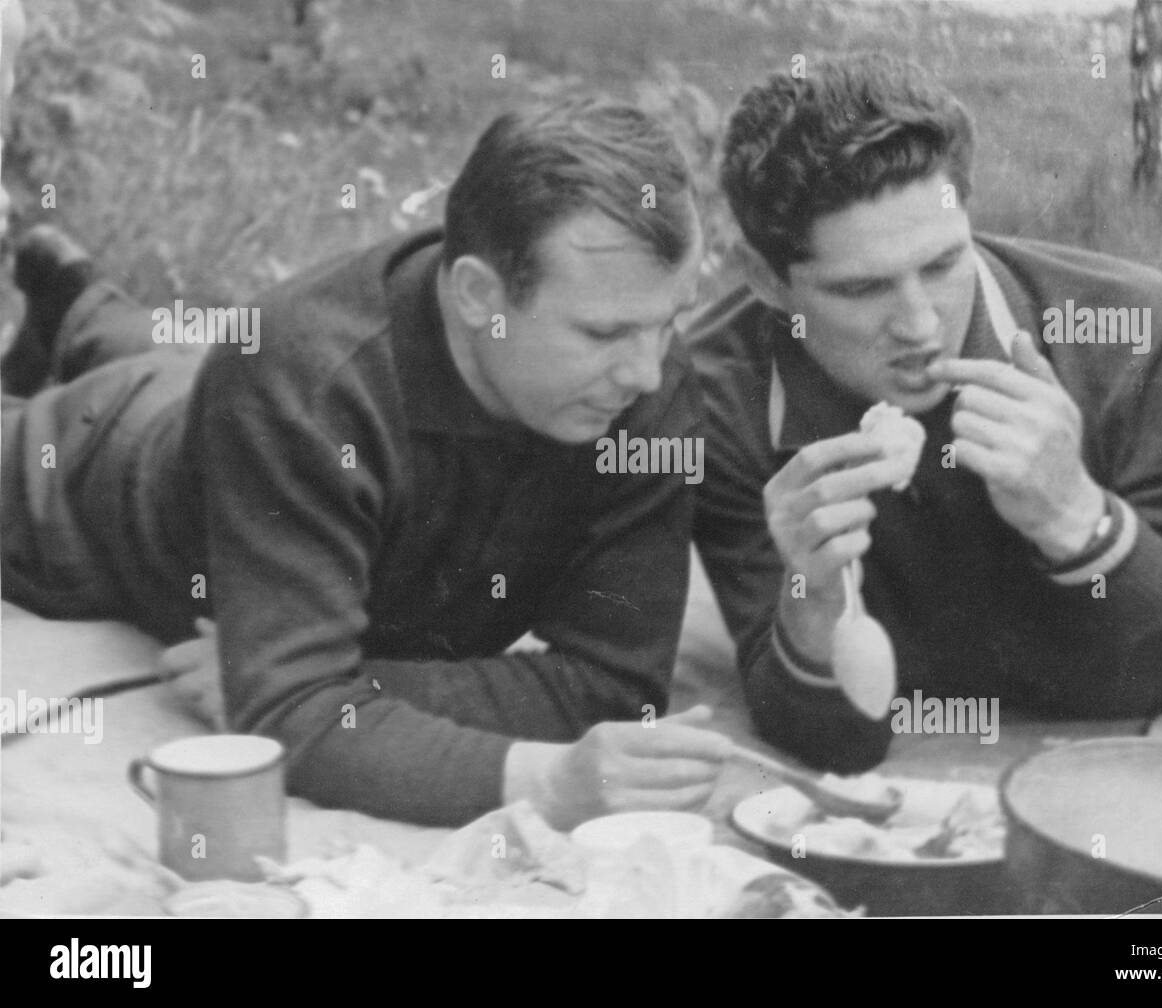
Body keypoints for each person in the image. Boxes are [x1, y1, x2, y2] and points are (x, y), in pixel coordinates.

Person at [2, 96, 735, 828]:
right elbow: (295, 715)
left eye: (669, 321)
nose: (646, 374)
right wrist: (542, 780)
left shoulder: (646, 375)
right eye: (604, 332)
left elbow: (613, 686)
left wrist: (349, 689)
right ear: (480, 294)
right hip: (95, 476)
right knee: (174, 386)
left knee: (177, 359)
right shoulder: (298, 384)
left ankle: (82, 308)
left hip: (236, 404)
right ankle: (80, 325)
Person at [690, 55, 1162, 771]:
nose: (917, 323)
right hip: (920, 775)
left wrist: (1078, 520)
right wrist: (813, 604)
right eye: (862, 290)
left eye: (944, 264)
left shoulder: (1138, 332)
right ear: (768, 281)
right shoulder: (716, 393)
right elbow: (827, 741)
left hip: (1131, 761)